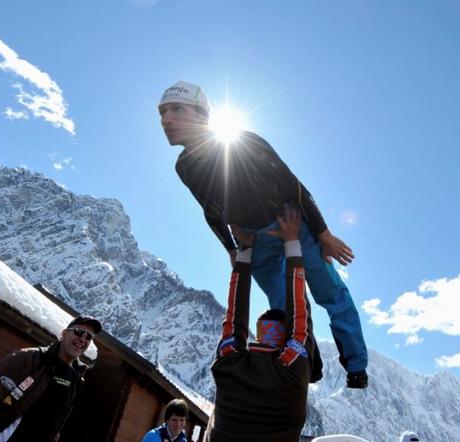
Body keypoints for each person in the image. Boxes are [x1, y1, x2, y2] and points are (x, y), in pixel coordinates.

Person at [158, 80, 368, 388]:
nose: (166, 119)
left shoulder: (242, 141)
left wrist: (323, 234)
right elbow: (209, 207)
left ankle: (356, 366)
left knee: (331, 293)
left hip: (295, 224)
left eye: (177, 109)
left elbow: (293, 184)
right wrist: (232, 246)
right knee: (285, 306)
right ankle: (308, 364)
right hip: (257, 241)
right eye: (162, 112)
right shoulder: (185, 166)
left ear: (203, 115)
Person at [204, 207, 322, 442]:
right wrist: (245, 252)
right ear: (283, 343)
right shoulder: (288, 373)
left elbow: (298, 315)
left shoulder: (290, 368)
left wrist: (291, 242)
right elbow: (235, 316)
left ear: (259, 336)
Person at [0, 315, 102, 442]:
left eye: (89, 336)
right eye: (79, 332)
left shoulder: (76, 379)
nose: (83, 339)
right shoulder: (29, 359)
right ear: (64, 334)